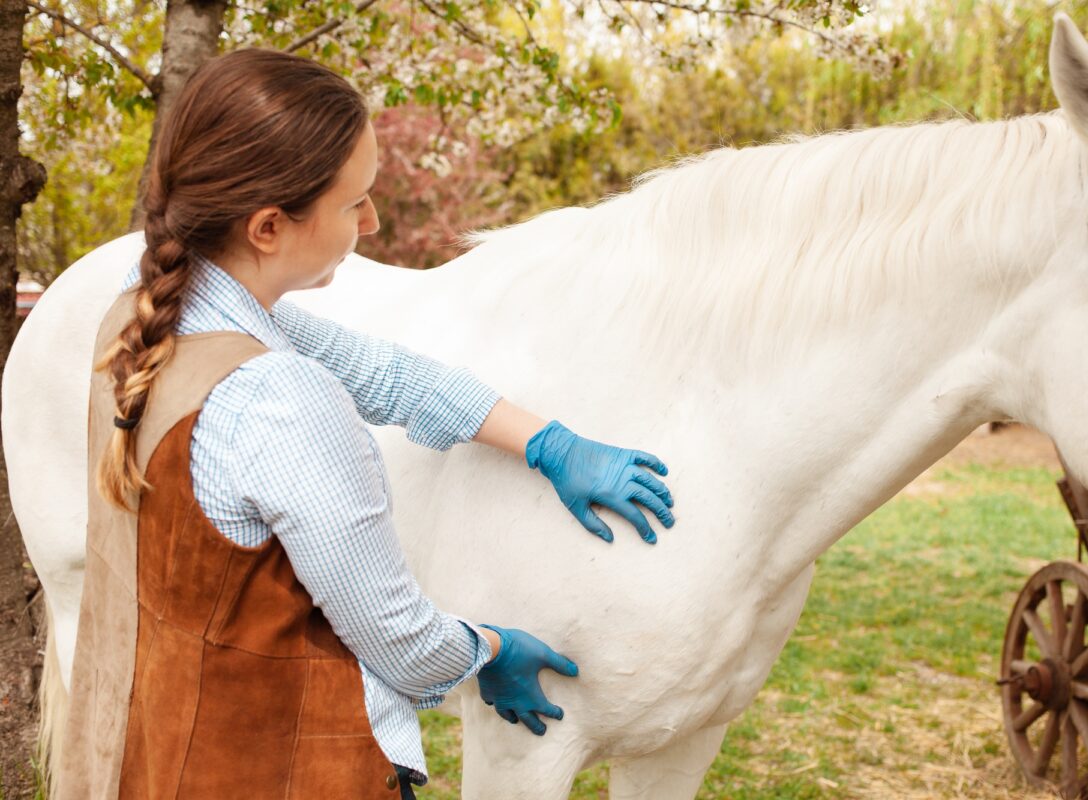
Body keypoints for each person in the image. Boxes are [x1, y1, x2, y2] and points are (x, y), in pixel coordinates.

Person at [61, 47, 676, 800]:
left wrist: (546, 442)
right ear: (267, 226)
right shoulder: (281, 399)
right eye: (356, 203)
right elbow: (400, 641)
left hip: (160, 748)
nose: (375, 220)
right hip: (285, 772)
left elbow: (389, 377)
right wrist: (491, 647)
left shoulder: (143, 313)